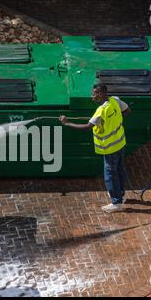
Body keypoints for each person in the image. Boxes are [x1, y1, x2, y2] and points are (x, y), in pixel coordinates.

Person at [59, 83, 131, 212]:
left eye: (94, 94)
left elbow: (87, 127)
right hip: (120, 142)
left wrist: (67, 123)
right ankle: (121, 194)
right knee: (119, 169)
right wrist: (115, 121)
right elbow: (127, 111)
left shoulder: (101, 111)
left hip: (109, 148)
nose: (92, 96)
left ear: (100, 94)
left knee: (110, 174)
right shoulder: (115, 100)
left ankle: (116, 202)